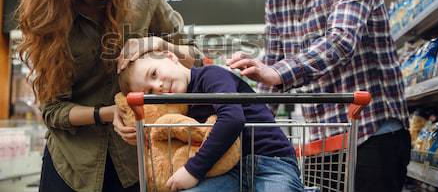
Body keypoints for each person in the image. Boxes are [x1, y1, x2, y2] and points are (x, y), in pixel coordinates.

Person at [16, 0, 201, 192]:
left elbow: (196, 59)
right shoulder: (50, 22)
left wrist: (158, 44)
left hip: (139, 159)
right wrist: (108, 112)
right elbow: (53, 110)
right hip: (74, 165)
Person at [226, 0, 411, 192]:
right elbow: (273, 74)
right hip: (321, 144)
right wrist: (244, 118)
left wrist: (275, 72)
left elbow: (341, 41)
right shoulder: (276, 0)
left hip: (371, 133)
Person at [117, 51, 304, 192]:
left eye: (154, 74)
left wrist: (192, 170)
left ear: (170, 57)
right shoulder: (180, 108)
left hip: (271, 162)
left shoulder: (211, 75)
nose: (157, 86)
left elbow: (232, 118)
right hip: (229, 171)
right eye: (149, 92)